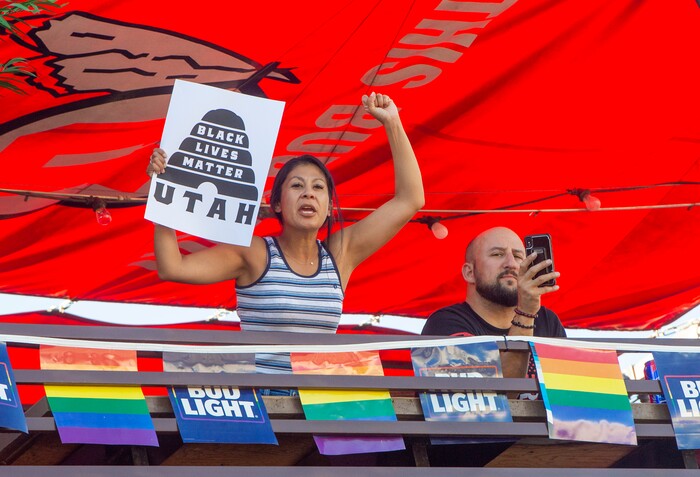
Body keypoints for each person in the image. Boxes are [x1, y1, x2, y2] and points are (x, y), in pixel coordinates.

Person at [147, 92, 424, 377]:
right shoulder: (254, 252)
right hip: (266, 404)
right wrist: (164, 190)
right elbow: (172, 267)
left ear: (329, 207)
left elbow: (410, 200)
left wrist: (392, 121)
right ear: (277, 203)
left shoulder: (340, 255)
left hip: (318, 407)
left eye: (318, 188)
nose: (308, 193)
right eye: (296, 186)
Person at [421, 226, 565, 381]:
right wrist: (526, 313)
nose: (511, 263)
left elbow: (569, 394)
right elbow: (493, 394)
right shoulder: (445, 322)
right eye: (497, 254)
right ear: (470, 273)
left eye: (518, 256)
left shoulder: (548, 321)